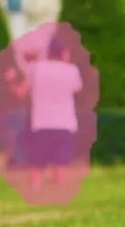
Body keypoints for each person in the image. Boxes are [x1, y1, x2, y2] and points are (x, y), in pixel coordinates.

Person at [24, 31, 87, 188]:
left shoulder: (36, 68)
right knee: (60, 163)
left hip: (41, 122)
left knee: (37, 162)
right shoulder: (71, 70)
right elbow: (78, 89)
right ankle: (58, 191)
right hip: (65, 122)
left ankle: (36, 188)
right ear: (64, 52)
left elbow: (24, 89)